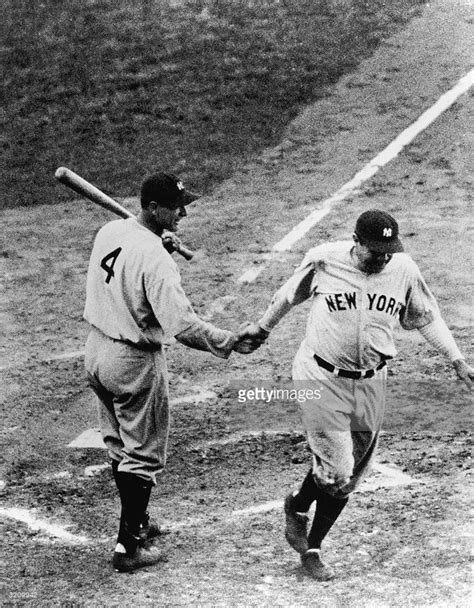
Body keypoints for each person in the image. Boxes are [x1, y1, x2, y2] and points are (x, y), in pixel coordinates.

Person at [241, 209, 473, 581]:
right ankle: (312, 548)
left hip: (371, 381)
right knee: (337, 469)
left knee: (350, 476)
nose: (382, 258)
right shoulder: (324, 260)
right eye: (375, 250)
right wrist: (262, 329)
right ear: (356, 241)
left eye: (388, 251)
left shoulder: (403, 270)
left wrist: (456, 359)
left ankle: (299, 509)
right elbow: (288, 296)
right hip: (320, 375)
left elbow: (426, 316)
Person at [83, 171, 264, 573]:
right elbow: (182, 327)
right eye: (176, 207)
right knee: (143, 453)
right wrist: (229, 341)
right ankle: (129, 547)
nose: (183, 212)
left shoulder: (111, 231)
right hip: (132, 362)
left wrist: (157, 242)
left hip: (95, 353)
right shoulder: (156, 259)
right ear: (152, 208)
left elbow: (134, 253)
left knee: (120, 445)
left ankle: (139, 522)